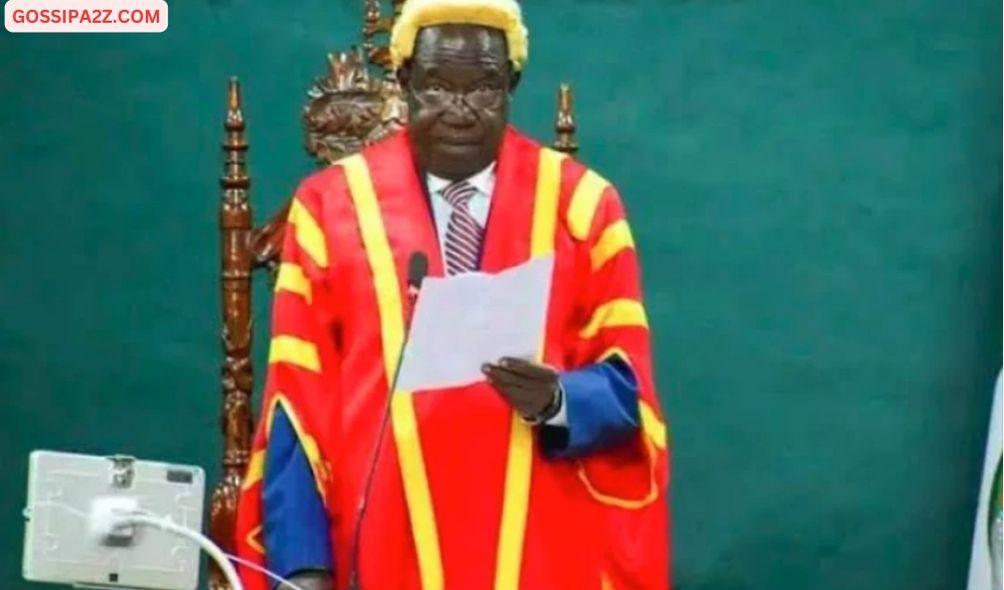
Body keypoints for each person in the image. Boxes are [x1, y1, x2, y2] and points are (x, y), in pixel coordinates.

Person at [234, 1, 669, 588]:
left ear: (512, 83)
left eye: (484, 87)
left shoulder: (583, 206)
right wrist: (303, 570)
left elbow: (629, 396)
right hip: (383, 538)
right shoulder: (330, 208)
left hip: (538, 545)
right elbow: (297, 407)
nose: (460, 111)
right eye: (437, 86)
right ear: (405, 79)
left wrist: (558, 400)